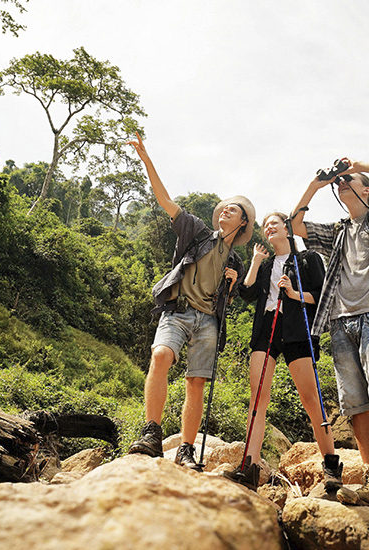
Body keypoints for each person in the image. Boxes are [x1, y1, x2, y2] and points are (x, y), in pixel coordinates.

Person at [288, 157, 369, 512]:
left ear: (366, 190)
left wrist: (356, 163)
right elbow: (294, 224)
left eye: (350, 181)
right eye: (340, 182)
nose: (343, 183)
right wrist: (318, 183)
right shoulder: (337, 230)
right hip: (341, 323)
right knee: (356, 405)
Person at [125, 133, 254, 471]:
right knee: (160, 355)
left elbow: (240, 295)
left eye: (235, 210)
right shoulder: (196, 231)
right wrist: (146, 158)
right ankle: (152, 434)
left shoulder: (236, 263)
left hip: (209, 321)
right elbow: (165, 199)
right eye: (225, 207)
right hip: (178, 311)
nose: (226, 209)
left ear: (242, 223)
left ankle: (185, 449)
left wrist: (234, 282)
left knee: (196, 383)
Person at [224, 212, 346, 496]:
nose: (268, 228)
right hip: (266, 328)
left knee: (310, 398)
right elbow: (248, 293)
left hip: (296, 329)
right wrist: (255, 261)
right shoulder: (266, 266)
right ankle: (250, 466)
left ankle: (331, 463)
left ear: (288, 229)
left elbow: (325, 296)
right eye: (266, 225)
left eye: (274, 223)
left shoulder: (308, 259)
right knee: (258, 397)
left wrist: (292, 293)